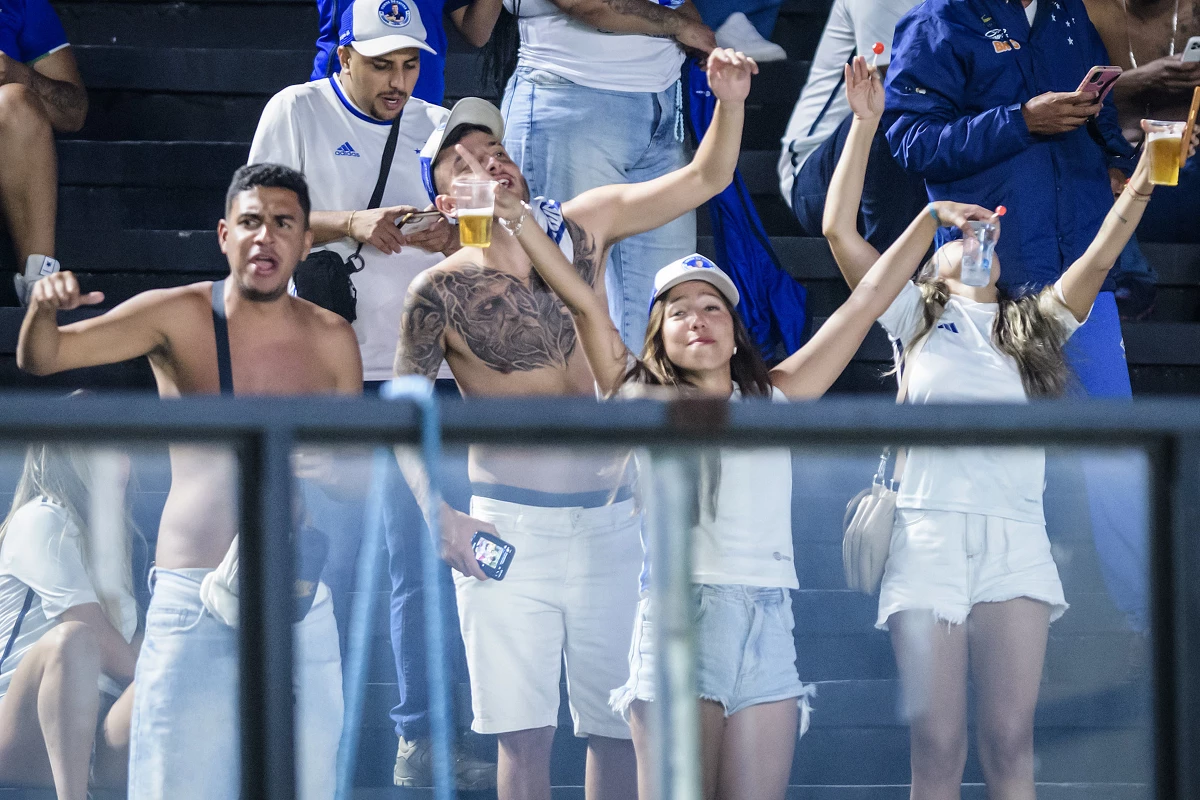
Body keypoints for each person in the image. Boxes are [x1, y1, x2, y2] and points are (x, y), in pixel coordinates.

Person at [472, 101, 993, 799]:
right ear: (659, 335)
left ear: (734, 328)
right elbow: (585, 305)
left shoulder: (773, 395)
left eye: (712, 305)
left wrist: (928, 223)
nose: (697, 318)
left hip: (770, 617)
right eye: (678, 309)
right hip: (680, 614)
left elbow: (866, 301)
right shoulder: (636, 394)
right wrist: (519, 221)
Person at [395, 47, 753, 800]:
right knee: (523, 744)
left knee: (618, 730)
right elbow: (404, 413)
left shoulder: (582, 224)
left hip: (612, 519)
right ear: (441, 203)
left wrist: (729, 100)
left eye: (495, 151)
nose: (487, 165)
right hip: (508, 528)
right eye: (463, 161)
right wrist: (440, 516)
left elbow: (705, 178)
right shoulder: (436, 290)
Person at [829, 57, 1164, 798]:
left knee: (1011, 740)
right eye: (963, 224)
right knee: (937, 745)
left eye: (988, 225)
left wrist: (1145, 171)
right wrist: (864, 128)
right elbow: (836, 230)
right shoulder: (913, 316)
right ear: (936, 261)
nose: (978, 228)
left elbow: (1104, 248)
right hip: (927, 536)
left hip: (1014, 538)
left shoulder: (1030, 326)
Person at [15, 163, 362, 800]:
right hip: (192, 595)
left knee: (308, 785)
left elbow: (359, 485)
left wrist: (336, 470)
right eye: (252, 223)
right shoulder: (176, 315)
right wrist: (41, 308)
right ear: (224, 235)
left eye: (283, 224)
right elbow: (44, 357)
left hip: (297, 599)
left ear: (306, 241)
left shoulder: (333, 338)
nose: (266, 238)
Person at [250, 4, 496, 787]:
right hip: (321, 369)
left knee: (418, 554)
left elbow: (490, 236)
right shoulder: (296, 109)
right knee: (314, 554)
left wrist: (453, 228)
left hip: (421, 370)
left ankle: (421, 736)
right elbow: (251, 219)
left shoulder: (436, 125)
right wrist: (353, 223)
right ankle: (295, 734)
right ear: (345, 54)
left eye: (411, 65)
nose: (400, 82)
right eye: (384, 65)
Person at [882, 0, 1153, 632]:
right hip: (986, 282)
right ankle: (966, 629)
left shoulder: (1071, 13)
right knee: (990, 467)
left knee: (1118, 463)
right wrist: (1021, 121)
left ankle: (1146, 632)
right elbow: (911, 141)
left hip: (1079, 278)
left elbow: (1097, 124)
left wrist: (1131, 131)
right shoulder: (941, 17)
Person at [493, 0, 717, 350]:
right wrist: (679, 26)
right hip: (571, 99)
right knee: (568, 304)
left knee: (663, 305)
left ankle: (639, 406)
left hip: (663, 108)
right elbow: (584, 4)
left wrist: (694, 28)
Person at [0, 444, 140, 800]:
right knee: (74, 640)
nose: (123, 455)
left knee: (179, 673)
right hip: (21, 727)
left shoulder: (111, 541)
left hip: (92, 724)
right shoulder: (43, 519)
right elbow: (103, 642)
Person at [778, 0, 925, 250]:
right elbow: (900, 87)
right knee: (891, 102)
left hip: (913, 163)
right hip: (819, 178)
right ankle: (890, 268)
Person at [1083, 0, 1200, 243]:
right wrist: (1141, 80)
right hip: (1114, 159)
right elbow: (1066, 96)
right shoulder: (1085, 10)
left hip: (1189, 157)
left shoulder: (1194, 12)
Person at [0, 0, 87, 307]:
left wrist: (17, 74)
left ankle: (39, 284)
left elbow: (73, 114)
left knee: (14, 100)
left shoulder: (21, 4)